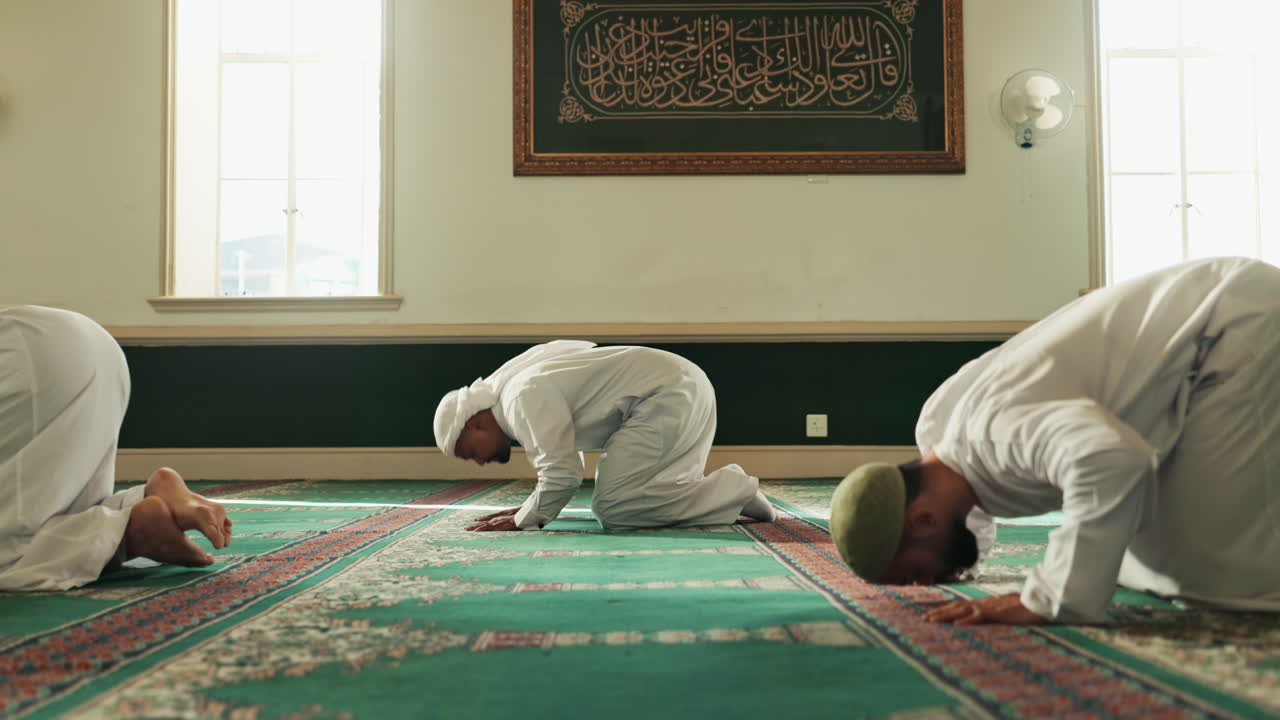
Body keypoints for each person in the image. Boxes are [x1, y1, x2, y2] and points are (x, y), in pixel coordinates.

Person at [829, 256, 1280, 625]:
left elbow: (1113, 459)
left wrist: (1047, 599)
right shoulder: (940, 432)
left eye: (916, 573)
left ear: (923, 520)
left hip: (1236, 325)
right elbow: (971, 511)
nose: (927, 585)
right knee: (1135, 559)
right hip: (1206, 335)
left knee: (1216, 577)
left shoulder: (996, 434)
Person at [0, 305, 232, 592]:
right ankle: (137, 507)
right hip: (85, 340)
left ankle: (123, 533)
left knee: (13, 549)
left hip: (25, 355)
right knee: (65, 503)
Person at [434, 340, 776, 532]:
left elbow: (563, 474)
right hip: (680, 386)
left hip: (667, 394)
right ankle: (730, 493)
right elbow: (566, 459)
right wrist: (529, 509)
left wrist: (523, 520)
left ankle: (734, 491)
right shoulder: (517, 396)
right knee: (634, 497)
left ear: (474, 424)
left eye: (469, 452)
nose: (479, 462)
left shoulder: (518, 400)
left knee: (615, 510)